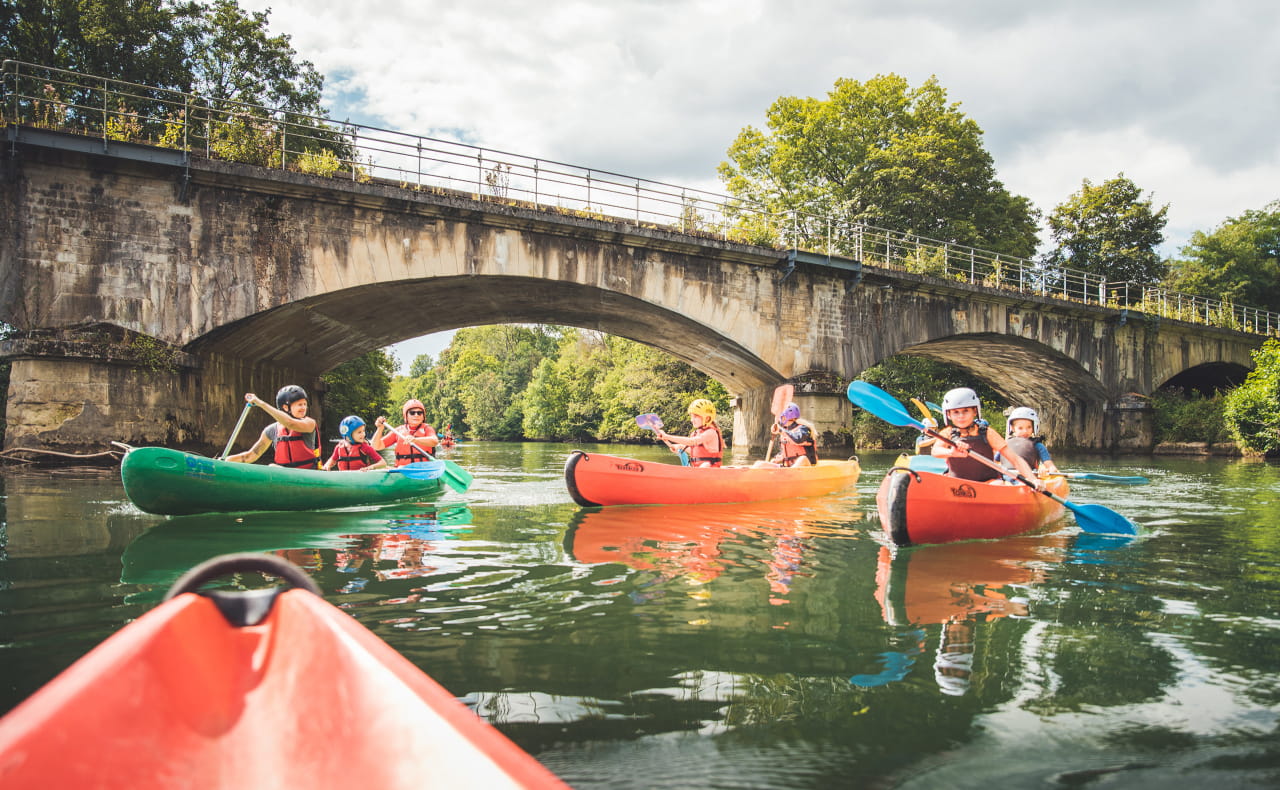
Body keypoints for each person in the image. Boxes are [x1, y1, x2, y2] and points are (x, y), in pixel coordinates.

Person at [930, 387, 1042, 488]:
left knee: (998, 485)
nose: (961, 416)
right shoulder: (948, 433)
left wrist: (1033, 479)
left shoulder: (987, 433)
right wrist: (951, 452)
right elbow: (935, 451)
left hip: (988, 483)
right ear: (948, 415)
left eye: (966, 411)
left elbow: (1015, 459)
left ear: (975, 411)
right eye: (956, 412)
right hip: (957, 483)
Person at [224, 385, 320, 469]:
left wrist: (261, 403)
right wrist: (225, 461)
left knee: (272, 466)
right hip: (283, 474)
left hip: (307, 473)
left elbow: (290, 423)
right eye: (300, 404)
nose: (303, 408)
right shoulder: (271, 430)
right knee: (272, 466)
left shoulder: (310, 423)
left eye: (305, 404)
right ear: (285, 407)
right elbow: (251, 455)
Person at [654, 398, 723, 467]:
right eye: (691, 417)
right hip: (697, 468)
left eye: (695, 417)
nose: (692, 420)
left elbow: (691, 441)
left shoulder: (711, 432)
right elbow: (696, 452)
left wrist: (667, 436)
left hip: (710, 468)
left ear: (707, 418)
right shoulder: (695, 433)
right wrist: (680, 446)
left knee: (706, 465)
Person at [372, 398, 439, 466]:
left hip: (424, 468)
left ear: (423, 416)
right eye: (412, 413)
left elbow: (434, 441)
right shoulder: (398, 431)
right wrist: (380, 429)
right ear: (406, 416)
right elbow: (376, 446)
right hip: (403, 469)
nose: (416, 415)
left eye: (419, 413)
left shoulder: (427, 428)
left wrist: (415, 440)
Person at [1000, 406, 1060, 474]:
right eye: (1020, 428)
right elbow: (995, 462)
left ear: (1034, 427)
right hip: (1007, 476)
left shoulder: (1038, 446)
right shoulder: (1005, 444)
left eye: (1029, 427)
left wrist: (1047, 470)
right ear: (1013, 428)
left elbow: (1050, 466)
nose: (1025, 431)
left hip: (1028, 477)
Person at [324, 415, 388, 471]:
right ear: (348, 435)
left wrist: (370, 467)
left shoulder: (365, 447)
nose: (363, 434)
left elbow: (383, 463)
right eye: (359, 432)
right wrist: (327, 466)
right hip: (344, 476)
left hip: (362, 476)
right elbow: (332, 460)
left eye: (363, 431)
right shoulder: (339, 447)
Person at [770, 402, 818, 467]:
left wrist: (781, 430)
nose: (780, 418)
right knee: (761, 464)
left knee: (802, 459)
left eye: (783, 417)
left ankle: (791, 471)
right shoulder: (786, 431)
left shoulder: (804, 429)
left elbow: (798, 440)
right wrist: (777, 459)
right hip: (789, 466)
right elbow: (787, 451)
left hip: (806, 465)